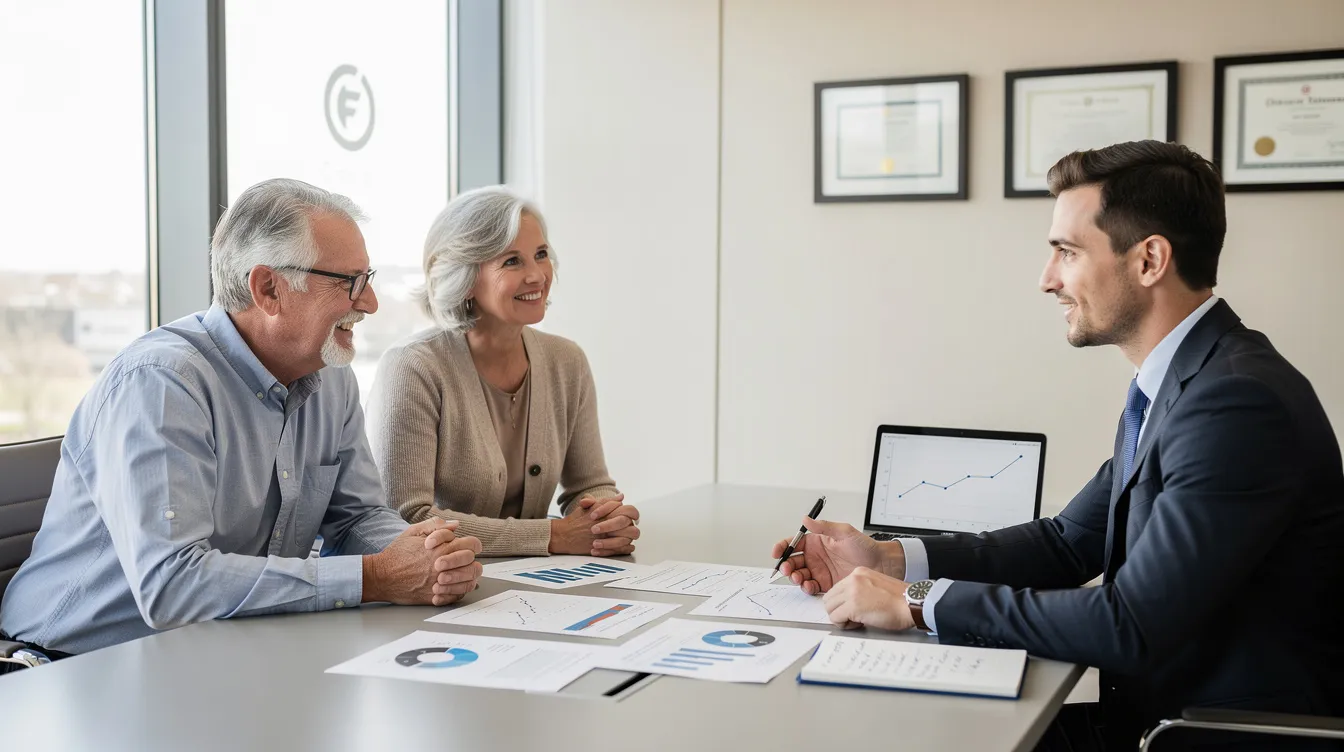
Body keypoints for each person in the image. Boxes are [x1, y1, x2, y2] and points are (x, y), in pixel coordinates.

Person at [773, 141, 1344, 750]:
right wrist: (887, 559)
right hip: (1155, 718)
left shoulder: (1233, 403)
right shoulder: (1186, 381)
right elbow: (1066, 543)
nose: (1048, 280)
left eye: (1067, 253)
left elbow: (1131, 624)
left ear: (1150, 259)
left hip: (1203, 735)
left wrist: (915, 602)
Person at [0, 179, 483, 658]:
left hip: (214, 649)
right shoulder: (162, 383)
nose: (370, 303)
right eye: (348, 282)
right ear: (268, 288)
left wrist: (427, 554)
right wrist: (374, 576)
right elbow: (172, 584)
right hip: (65, 664)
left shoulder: (330, 376)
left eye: (369, 279)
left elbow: (355, 516)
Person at [366, 186, 639, 557]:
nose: (537, 276)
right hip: (440, 592)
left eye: (541, 255)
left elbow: (588, 485)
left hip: (537, 588)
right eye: (512, 261)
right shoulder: (413, 368)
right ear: (464, 279)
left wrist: (606, 518)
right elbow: (406, 518)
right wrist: (551, 536)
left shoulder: (567, 361)